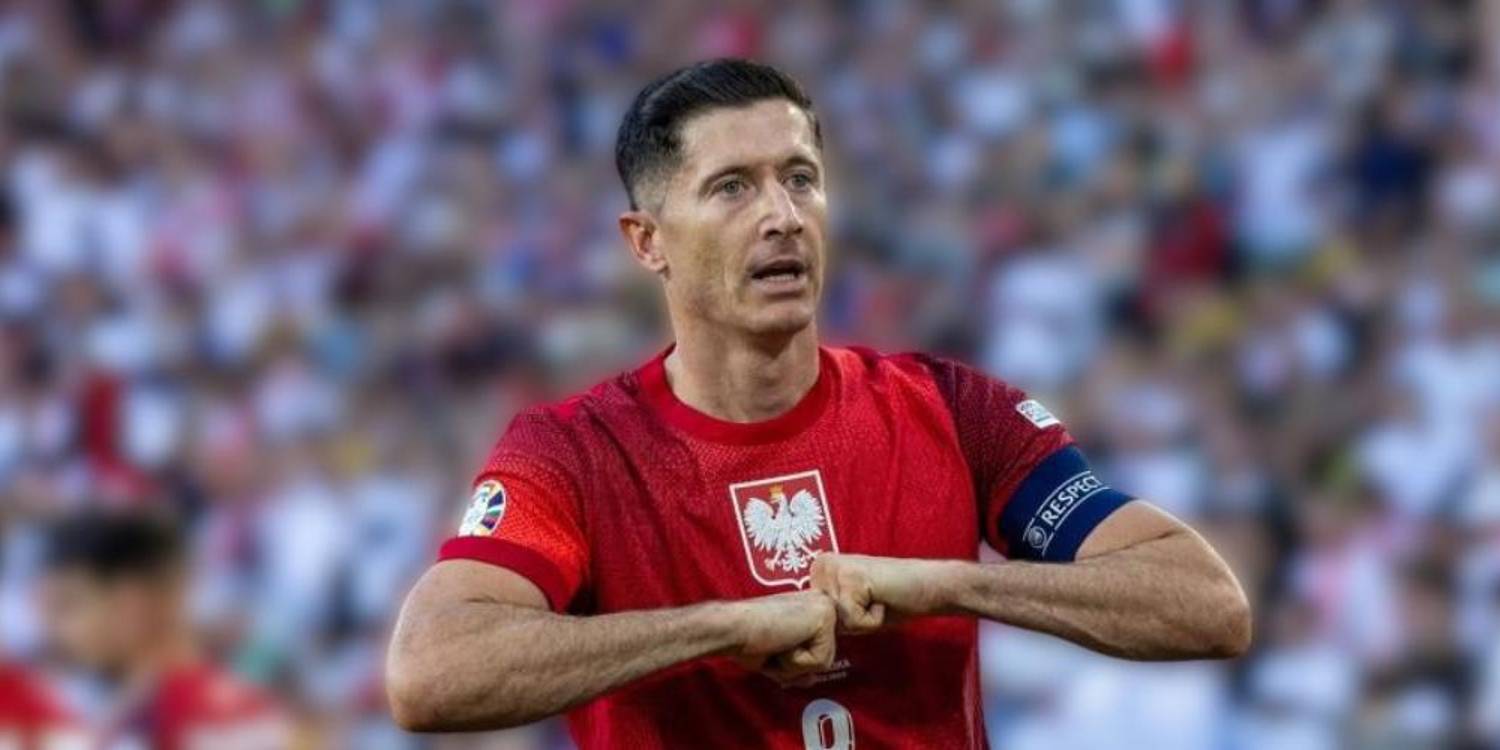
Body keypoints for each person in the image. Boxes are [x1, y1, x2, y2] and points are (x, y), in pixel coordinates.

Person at [387, 58, 1251, 749]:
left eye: (800, 178)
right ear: (647, 242)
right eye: (732, 187)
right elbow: (431, 672)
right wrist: (724, 629)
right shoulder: (573, 454)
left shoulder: (952, 410)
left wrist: (948, 585)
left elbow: (1206, 605)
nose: (782, 216)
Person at [41, 512, 290, 750]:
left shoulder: (160, 724)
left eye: (69, 605)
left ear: (130, 602)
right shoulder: (244, 703)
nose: (55, 631)